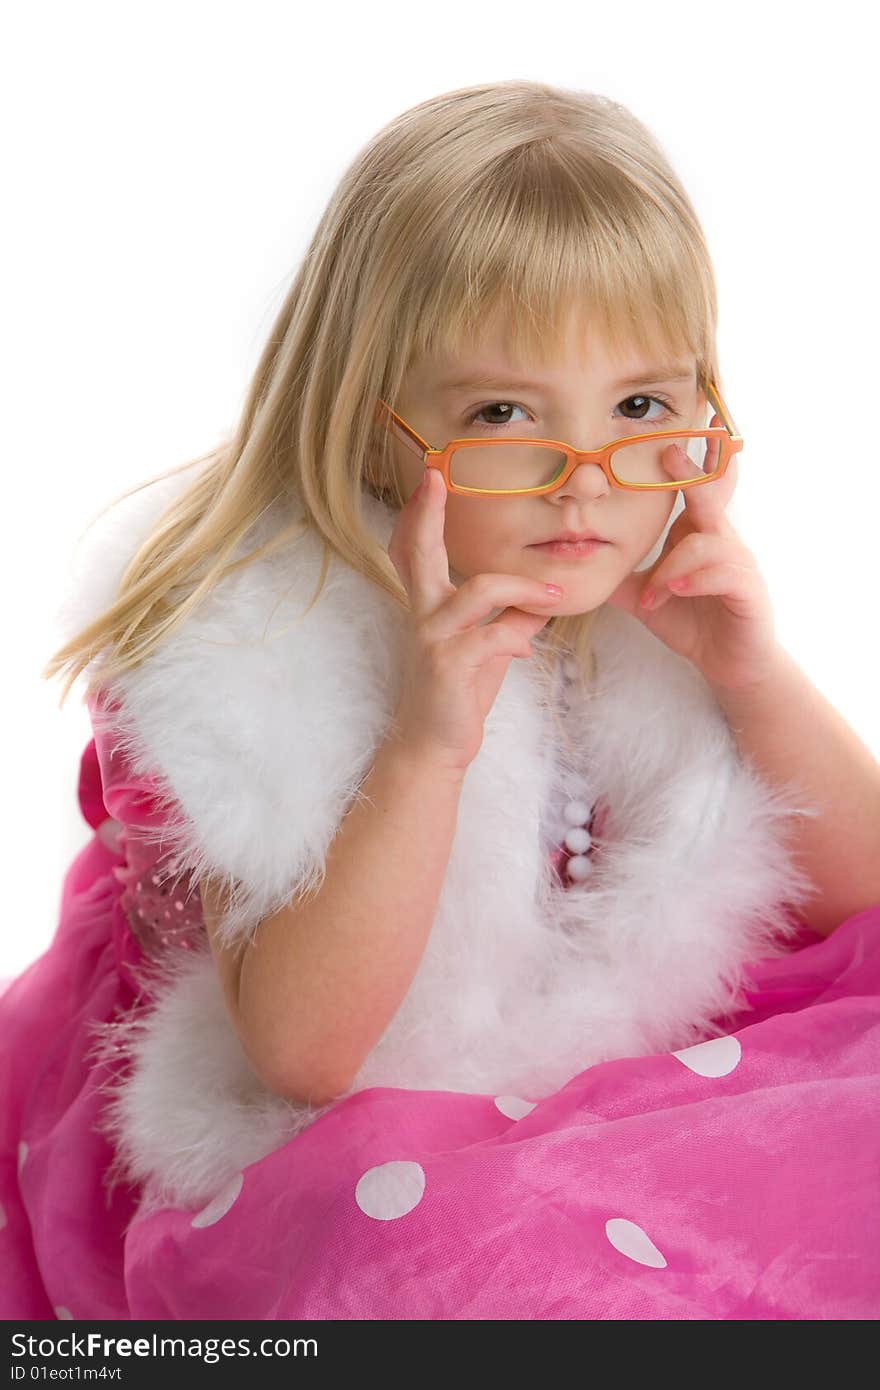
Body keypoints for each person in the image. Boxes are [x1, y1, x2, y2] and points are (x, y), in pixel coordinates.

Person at [4, 79, 880, 1322]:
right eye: (503, 415)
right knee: (414, 1245)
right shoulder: (266, 656)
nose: (583, 487)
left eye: (638, 407)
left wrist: (753, 675)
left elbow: (865, 899)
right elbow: (305, 1056)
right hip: (346, 1106)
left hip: (604, 1076)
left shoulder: (643, 603)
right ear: (376, 432)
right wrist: (426, 744)